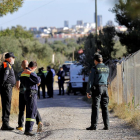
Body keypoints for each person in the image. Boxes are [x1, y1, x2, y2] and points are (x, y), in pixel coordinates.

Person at [16, 60, 43, 132]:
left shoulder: (21, 73)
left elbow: (18, 85)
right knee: (32, 109)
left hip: (24, 93)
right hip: (31, 92)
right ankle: (38, 122)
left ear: (22, 65)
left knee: (23, 110)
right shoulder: (31, 72)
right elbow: (38, 81)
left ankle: (21, 126)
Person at [86, 54, 109, 130]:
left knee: (95, 107)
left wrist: (88, 91)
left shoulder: (94, 68)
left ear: (96, 60)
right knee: (105, 107)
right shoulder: (106, 68)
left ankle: (94, 126)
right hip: (105, 88)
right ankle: (106, 125)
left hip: (97, 89)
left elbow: (90, 81)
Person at [0, 52, 16, 131]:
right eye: (13, 58)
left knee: (6, 105)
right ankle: (5, 125)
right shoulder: (6, 65)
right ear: (10, 58)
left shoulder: (6, 64)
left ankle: (4, 124)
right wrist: (3, 85)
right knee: (6, 106)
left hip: (6, 88)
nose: (14, 59)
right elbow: (4, 77)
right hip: (6, 88)